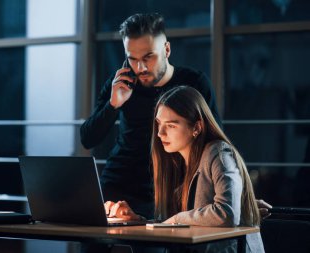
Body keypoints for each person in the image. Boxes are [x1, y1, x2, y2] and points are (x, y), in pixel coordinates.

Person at [80, 13, 221, 220]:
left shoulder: (194, 83)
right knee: (89, 240)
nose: (141, 68)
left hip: (167, 185)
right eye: (133, 59)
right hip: (118, 180)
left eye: (148, 57)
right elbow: (88, 138)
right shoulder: (120, 82)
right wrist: (113, 105)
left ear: (166, 49)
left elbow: (215, 142)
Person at [108, 86, 265, 253]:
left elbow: (227, 214)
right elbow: (180, 224)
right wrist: (136, 221)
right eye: (159, 124)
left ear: (196, 128)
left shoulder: (218, 152)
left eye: (171, 125)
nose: (160, 133)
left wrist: (176, 219)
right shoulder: (178, 162)